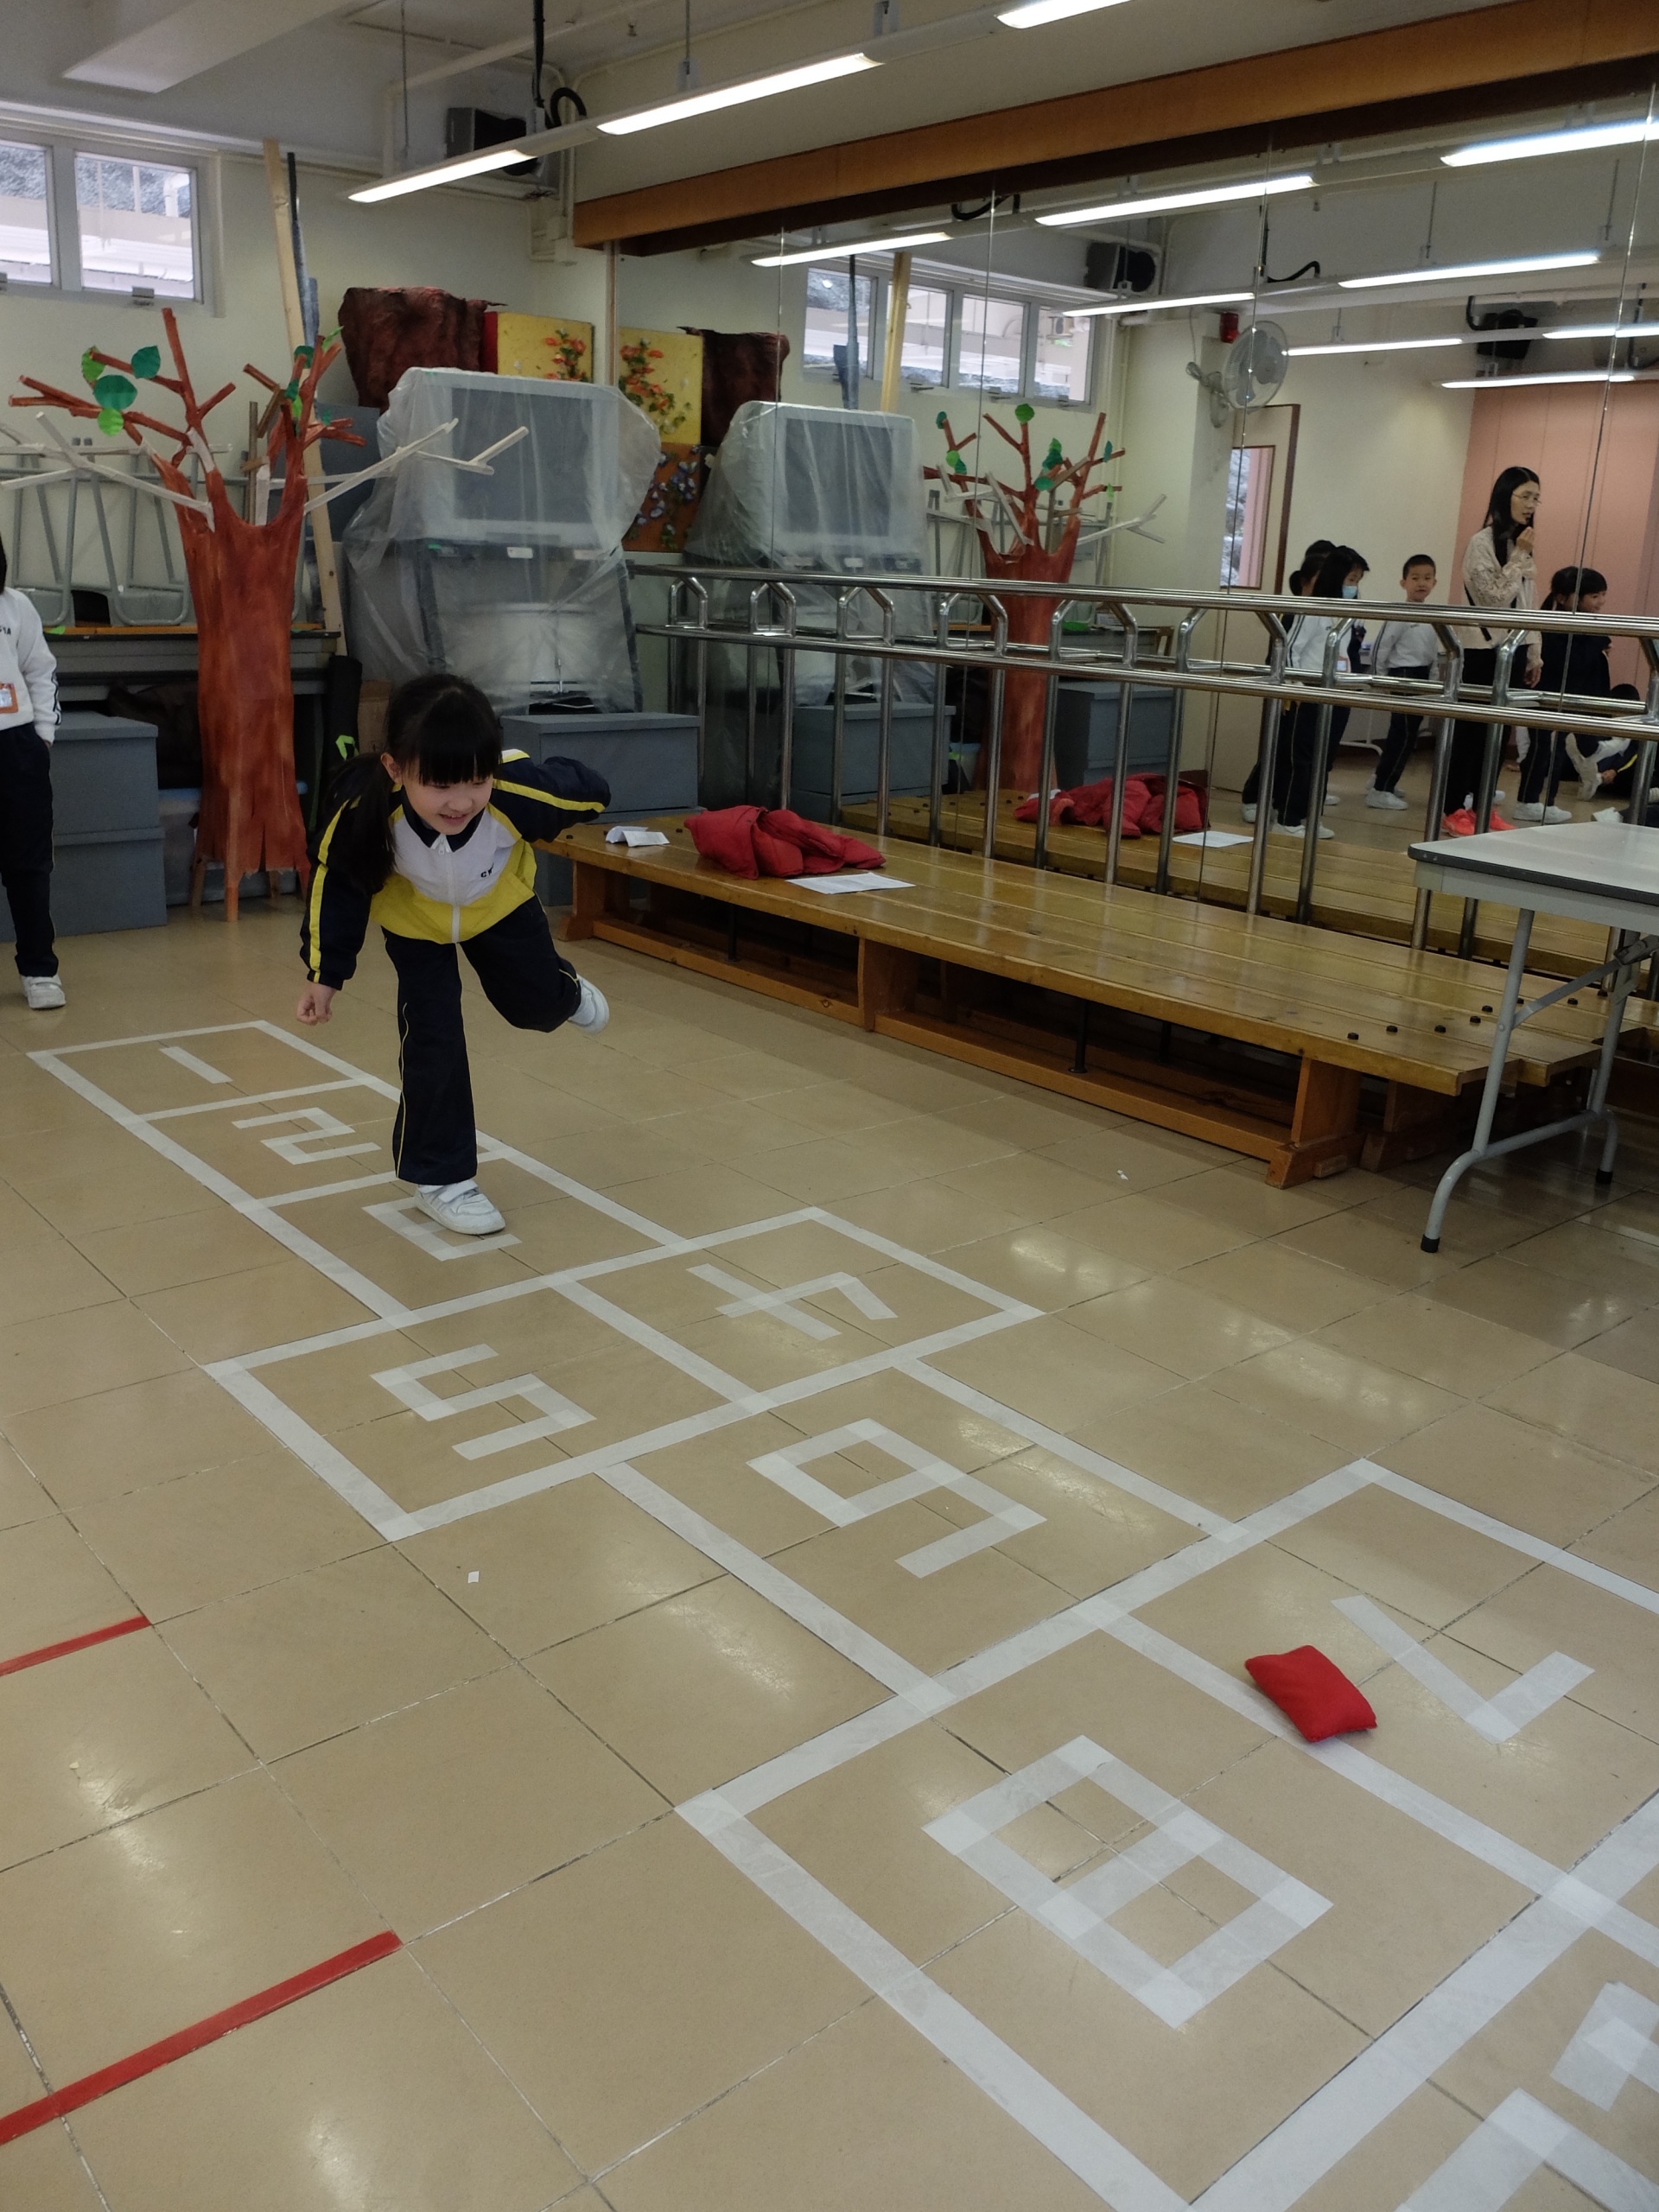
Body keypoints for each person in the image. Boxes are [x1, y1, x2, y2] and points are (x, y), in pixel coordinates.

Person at [297, 672, 612, 1236]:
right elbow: (336, 887)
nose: (461, 802)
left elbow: (586, 788)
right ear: (396, 768)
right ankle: (442, 1179)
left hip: (499, 909)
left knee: (535, 1006)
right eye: (441, 785)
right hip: (416, 926)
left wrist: (579, 793)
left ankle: (563, 995)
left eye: (476, 780)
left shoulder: (513, 794)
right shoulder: (366, 808)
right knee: (432, 1039)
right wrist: (325, 974)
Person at [1450, 465, 1541, 831]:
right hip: (1482, 648)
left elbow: (1528, 602)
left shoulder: (1521, 544)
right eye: (1525, 496)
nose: (1531, 505)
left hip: (1512, 649)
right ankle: (1453, 808)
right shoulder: (1482, 542)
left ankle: (1483, 806)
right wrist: (1518, 558)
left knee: (1498, 736)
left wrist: (1534, 652)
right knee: (1471, 733)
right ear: (1505, 496)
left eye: (1536, 498)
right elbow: (1493, 599)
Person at [0, 534, 64, 1008]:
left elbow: (41, 671)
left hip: (16, 747)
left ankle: (40, 970)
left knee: (28, 864)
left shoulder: (16, 606)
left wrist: (43, 736)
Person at [1274, 544, 1370, 839]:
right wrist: (1297, 690)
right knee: (1302, 759)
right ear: (1336, 577)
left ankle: (1311, 816)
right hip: (1309, 692)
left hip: (1336, 690)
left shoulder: (1345, 612)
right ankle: (1288, 818)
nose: (1354, 587)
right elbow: (1291, 650)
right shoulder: (1312, 609)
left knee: (1324, 760)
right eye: (1351, 580)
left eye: (1357, 582)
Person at [1515, 565, 1610, 821]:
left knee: (1554, 750)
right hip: (1544, 695)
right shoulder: (1552, 623)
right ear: (1563, 598)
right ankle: (1528, 800)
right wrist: (1599, 643)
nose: (1600, 602)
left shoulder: (1583, 622)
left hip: (1566, 695)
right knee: (1541, 749)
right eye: (1594, 596)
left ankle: (1546, 801)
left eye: (1603, 595)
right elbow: (1570, 660)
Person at [1366, 553, 1440, 810]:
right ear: (1403, 583)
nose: (1422, 583)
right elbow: (1381, 647)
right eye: (1415, 578)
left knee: (1408, 735)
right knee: (1403, 734)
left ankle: (1383, 779)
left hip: (1421, 675)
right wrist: (1379, 679)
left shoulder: (1432, 614)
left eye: (1427, 578)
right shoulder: (1399, 612)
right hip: (1403, 675)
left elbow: (1433, 652)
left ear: (1434, 583)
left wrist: (1433, 680)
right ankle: (1381, 788)